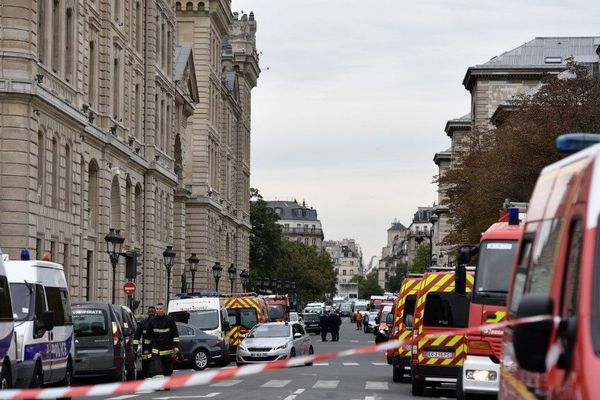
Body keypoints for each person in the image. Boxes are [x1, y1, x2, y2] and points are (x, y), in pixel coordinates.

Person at [147, 302, 180, 378]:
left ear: (164, 309)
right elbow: (148, 336)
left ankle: (166, 384)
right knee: (157, 369)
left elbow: (175, 334)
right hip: (156, 351)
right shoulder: (152, 321)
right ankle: (158, 384)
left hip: (167, 350)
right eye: (157, 309)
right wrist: (147, 349)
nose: (158, 310)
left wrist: (176, 346)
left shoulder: (170, 320)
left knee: (168, 370)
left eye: (160, 309)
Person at [133, 305, 155, 378]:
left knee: (155, 364)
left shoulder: (158, 322)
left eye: (153, 312)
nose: (151, 313)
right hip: (146, 348)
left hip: (157, 347)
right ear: (148, 313)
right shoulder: (143, 323)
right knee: (145, 364)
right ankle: (146, 377)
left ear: (155, 312)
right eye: (150, 312)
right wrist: (135, 347)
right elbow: (137, 336)